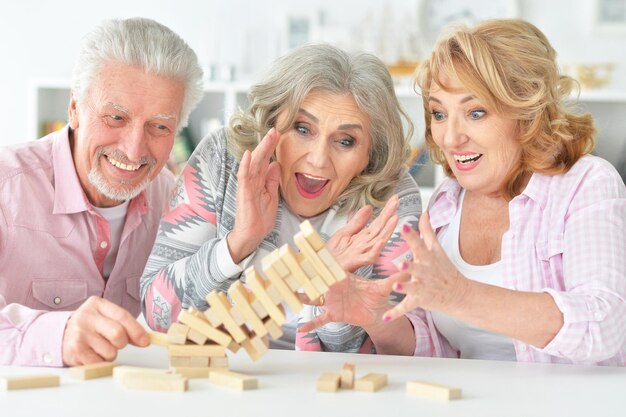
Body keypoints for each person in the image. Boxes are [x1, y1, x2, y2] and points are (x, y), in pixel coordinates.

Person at [372, 19, 625, 364]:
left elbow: (604, 327)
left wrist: (461, 295)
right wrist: (370, 317)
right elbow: (441, 349)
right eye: (439, 113)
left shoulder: (586, 185)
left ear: (527, 113)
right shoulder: (446, 203)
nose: (449, 137)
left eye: (476, 112)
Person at [141, 43, 422, 353]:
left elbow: (371, 356)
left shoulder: (391, 198)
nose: (318, 160)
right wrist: (237, 245)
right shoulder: (223, 159)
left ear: (370, 154)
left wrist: (326, 281)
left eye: (345, 141)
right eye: (303, 129)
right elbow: (158, 313)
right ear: (271, 122)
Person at [0, 17, 204, 366]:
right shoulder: (6, 186)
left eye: (159, 126)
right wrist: (57, 335)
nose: (134, 149)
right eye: (116, 117)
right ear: (75, 108)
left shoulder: (177, 205)